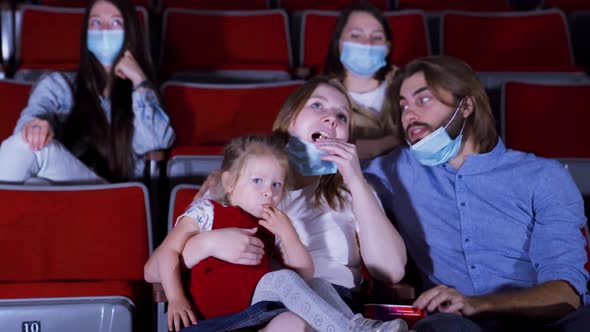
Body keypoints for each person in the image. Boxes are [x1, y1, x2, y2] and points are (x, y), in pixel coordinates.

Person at [148, 76, 407, 331]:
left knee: (300, 314)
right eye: (317, 105)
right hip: (252, 304)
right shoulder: (240, 189)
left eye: (342, 117)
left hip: (335, 303)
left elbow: (391, 271)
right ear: (289, 118)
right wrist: (206, 243)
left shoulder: (353, 192)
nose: (331, 118)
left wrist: (356, 180)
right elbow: (153, 271)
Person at [363, 56, 590, 332]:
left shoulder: (542, 176)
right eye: (403, 105)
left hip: (541, 319)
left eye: (423, 100)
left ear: (466, 105)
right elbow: (333, 172)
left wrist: (478, 302)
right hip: (458, 324)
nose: (409, 114)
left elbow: (566, 293)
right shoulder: (398, 169)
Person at [0, 0, 174, 183]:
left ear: (130, 35)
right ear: (86, 34)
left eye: (115, 23)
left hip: (115, 197)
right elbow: (29, 123)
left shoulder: (142, 93)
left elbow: (156, 142)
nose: (104, 30)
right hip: (66, 192)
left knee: (28, 148)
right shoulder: (58, 85)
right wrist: (36, 126)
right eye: (96, 23)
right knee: (34, 179)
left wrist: (139, 80)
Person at [323, 2, 401, 160]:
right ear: (339, 42)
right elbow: (320, 149)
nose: (367, 44)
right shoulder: (319, 96)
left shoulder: (408, 83)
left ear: (387, 47)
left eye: (377, 37)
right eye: (356, 35)